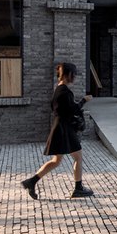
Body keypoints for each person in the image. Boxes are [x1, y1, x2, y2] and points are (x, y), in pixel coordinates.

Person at [21, 62, 94, 199]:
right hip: (64, 129)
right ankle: (78, 188)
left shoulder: (58, 89)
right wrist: (84, 100)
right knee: (77, 157)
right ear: (68, 74)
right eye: (74, 74)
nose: (75, 77)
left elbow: (60, 109)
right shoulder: (64, 91)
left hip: (59, 127)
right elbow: (73, 109)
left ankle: (31, 181)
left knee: (57, 161)